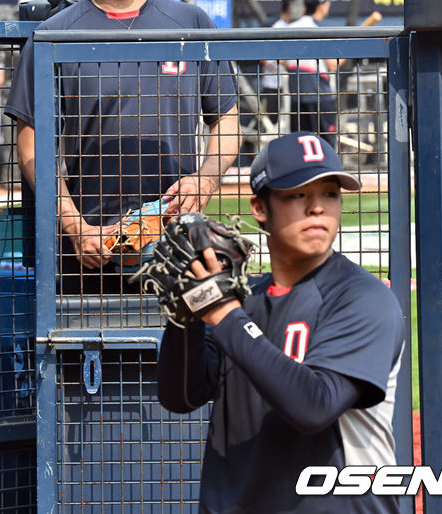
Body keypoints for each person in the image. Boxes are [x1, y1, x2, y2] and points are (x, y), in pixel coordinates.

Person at [4, 0, 240, 293]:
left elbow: (227, 120)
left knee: (181, 357)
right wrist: (74, 225)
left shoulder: (191, 23)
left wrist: (205, 179)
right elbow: (30, 140)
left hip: (176, 246)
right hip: (87, 253)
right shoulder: (54, 35)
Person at [157, 130, 405, 513]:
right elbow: (181, 397)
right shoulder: (243, 304)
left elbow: (315, 406)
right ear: (259, 207)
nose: (317, 208)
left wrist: (221, 312)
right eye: (297, 195)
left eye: (329, 194)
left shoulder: (363, 298)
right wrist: (183, 318)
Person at [290, 0, 382, 147]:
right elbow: (332, 64)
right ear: (321, 5)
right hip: (320, 96)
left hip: (296, 98)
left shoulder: (291, 27)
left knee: (300, 149)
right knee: (325, 147)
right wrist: (351, 48)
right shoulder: (317, 30)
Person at [259, 0, 300, 126]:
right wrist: (285, 61)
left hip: (292, 86)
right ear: (289, 6)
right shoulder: (276, 27)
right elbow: (263, 59)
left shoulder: (297, 27)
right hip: (273, 87)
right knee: (271, 126)